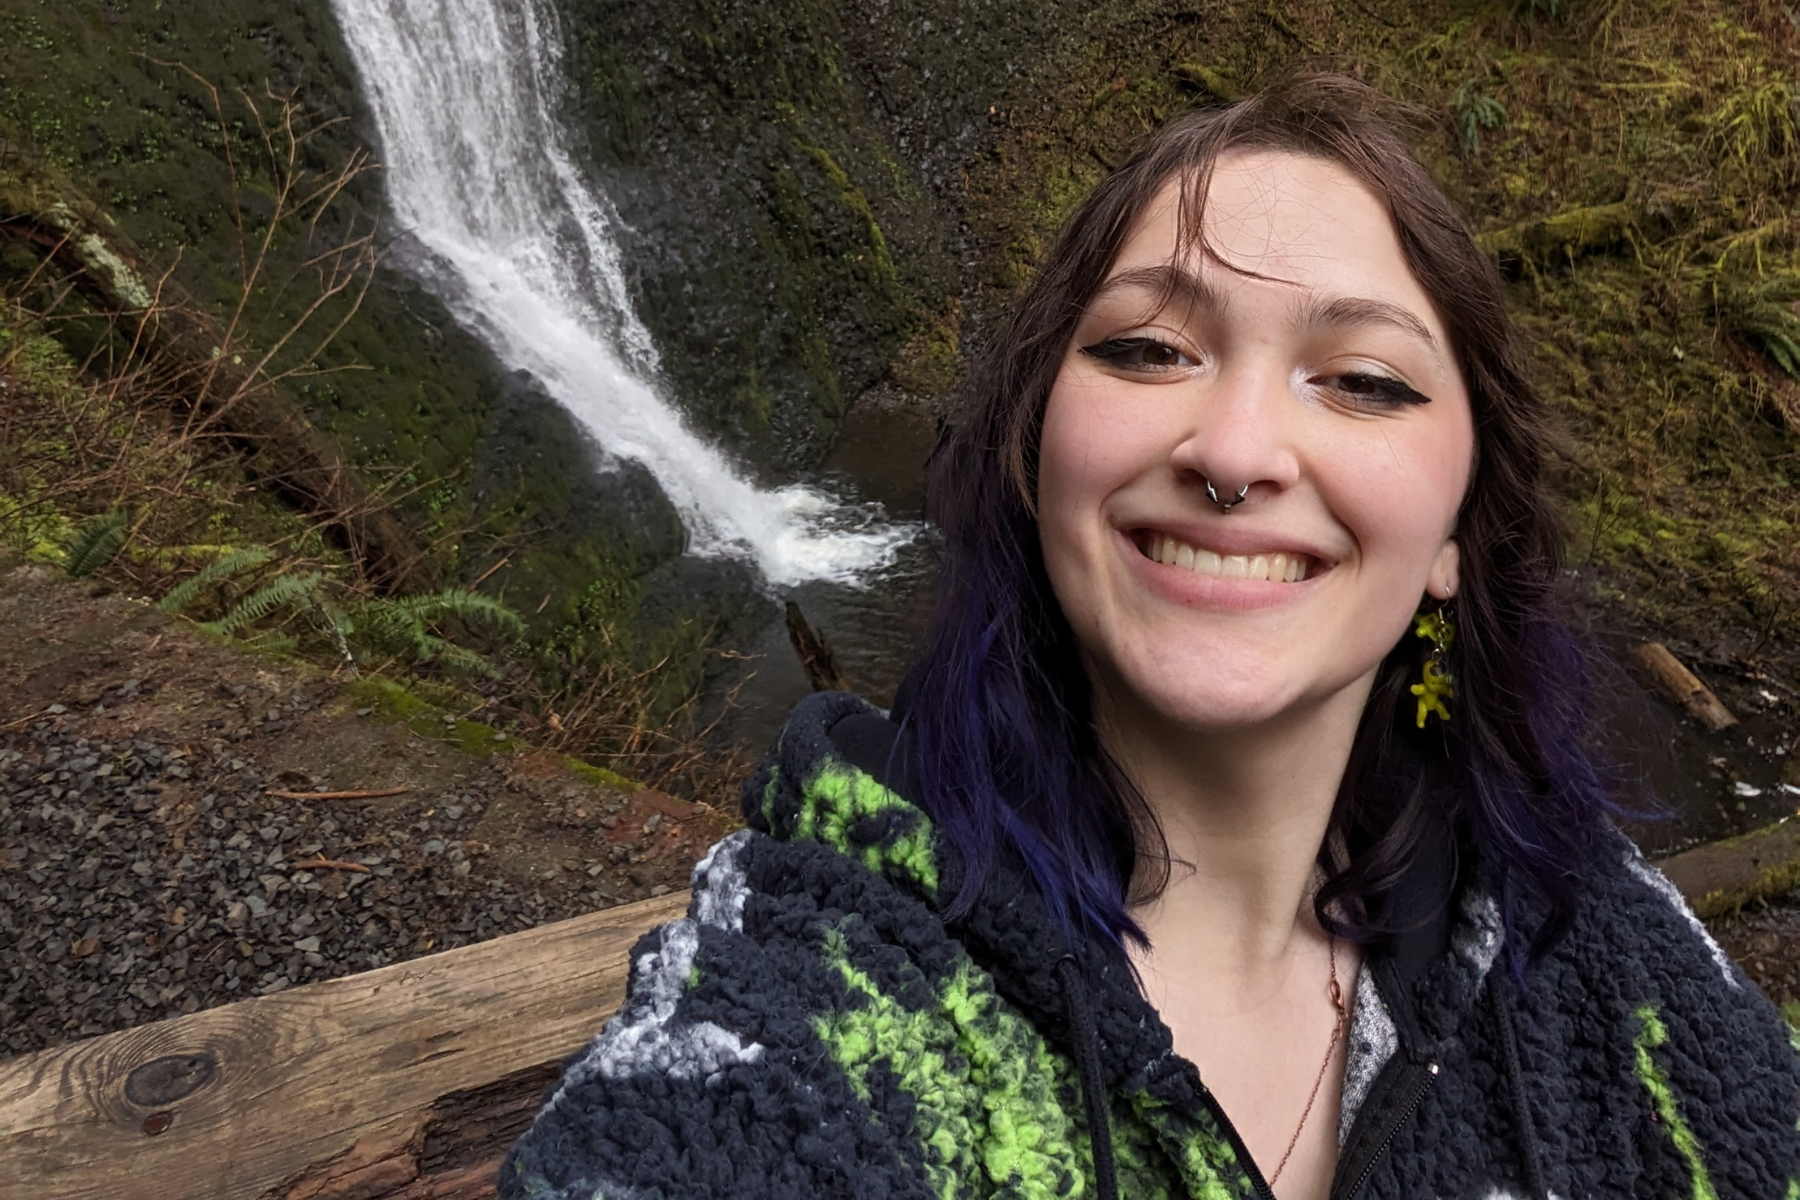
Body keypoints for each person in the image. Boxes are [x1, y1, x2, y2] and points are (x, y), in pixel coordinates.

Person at [499, 75, 1800, 1200]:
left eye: (1362, 380)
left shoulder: (1568, 930)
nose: (1233, 452)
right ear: (1034, 452)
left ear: (1459, 529)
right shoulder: (835, 983)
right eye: (1147, 350)